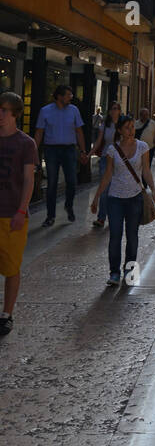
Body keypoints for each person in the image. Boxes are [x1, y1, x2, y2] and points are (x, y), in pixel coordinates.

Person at [91, 114, 155, 286]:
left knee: (133, 236)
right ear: (120, 130)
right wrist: (97, 197)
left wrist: (153, 189)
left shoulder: (142, 146)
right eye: (127, 127)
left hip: (135, 197)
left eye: (132, 127)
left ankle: (129, 271)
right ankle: (114, 273)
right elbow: (107, 176)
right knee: (115, 236)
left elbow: (146, 170)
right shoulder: (112, 150)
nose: (131, 130)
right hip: (115, 198)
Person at [0, 92, 38, 337]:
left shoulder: (26, 144)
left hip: (12, 213)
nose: (0, 114)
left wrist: (21, 210)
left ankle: (6, 314)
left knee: (11, 267)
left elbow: (28, 180)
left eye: (4, 110)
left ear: (14, 114)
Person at [34, 85, 86, 226]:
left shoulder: (74, 110)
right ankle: (50, 216)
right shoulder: (45, 111)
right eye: (69, 94)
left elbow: (79, 131)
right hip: (51, 150)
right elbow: (39, 133)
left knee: (72, 181)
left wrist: (83, 151)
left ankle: (68, 205)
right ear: (59, 96)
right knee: (52, 184)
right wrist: (33, 153)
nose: (71, 97)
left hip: (69, 149)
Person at [89, 100, 122, 227]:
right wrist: (90, 153)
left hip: (119, 160)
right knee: (104, 188)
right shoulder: (105, 124)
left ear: (119, 110)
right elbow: (98, 141)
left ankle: (115, 217)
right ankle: (101, 217)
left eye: (116, 108)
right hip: (105, 158)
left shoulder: (123, 124)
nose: (114, 111)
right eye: (112, 109)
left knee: (116, 189)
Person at [135, 108, 155, 176]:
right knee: (138, 165)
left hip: (149, 149)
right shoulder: (136, 124)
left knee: (147, 166)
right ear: (140, 115)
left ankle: (145, 182)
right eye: (143, 114)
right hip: (138, 149)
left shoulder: (152, 123)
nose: (144, 116)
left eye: (146, 114)